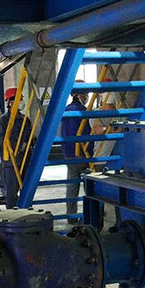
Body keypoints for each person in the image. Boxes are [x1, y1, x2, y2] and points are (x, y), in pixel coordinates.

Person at [60, 84, 91, 222]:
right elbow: (85, 133)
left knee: (72, 186)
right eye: (85, 94)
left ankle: (71, 216)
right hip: (82, 155)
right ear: (78, 95)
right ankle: (92, 214)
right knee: (89, 187)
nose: (87, 97)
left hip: (68, 153)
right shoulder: (83, 111)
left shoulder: (65, 110)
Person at [0, 87, 32, 207]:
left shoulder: (25, 120)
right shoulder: (3, 121)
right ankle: (12, 214)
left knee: (27, 190)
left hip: (25, 160)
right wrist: (20, 146)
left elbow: (30, 137)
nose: (21, 102)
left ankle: (26, 211)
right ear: (9, 102)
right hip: (11, 163)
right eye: (19, 99)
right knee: (11, 193)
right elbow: (3, 141)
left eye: (21, 99)